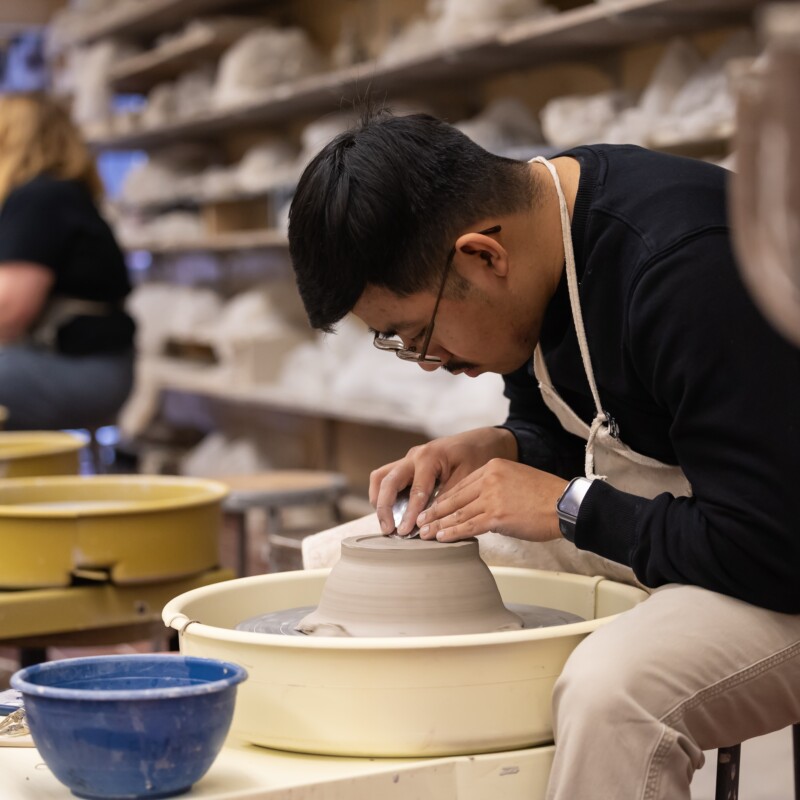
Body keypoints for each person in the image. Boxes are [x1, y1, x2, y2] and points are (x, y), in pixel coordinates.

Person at [288, 109, 800, 799]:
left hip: (774, 556)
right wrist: (500, 445)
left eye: (415, 334)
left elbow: (765, 548)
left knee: (611, 694)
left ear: (483, 256)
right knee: (339, 564)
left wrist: (566, 505)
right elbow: (567, 419)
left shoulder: (684, 266)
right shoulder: (537, 239)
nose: (425, 363)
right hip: (703, 518)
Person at [0, 92, 135, 431]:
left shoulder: (39, 197)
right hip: (99, 365)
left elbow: (8, 313)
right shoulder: (63, 194)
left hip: (85, 370)